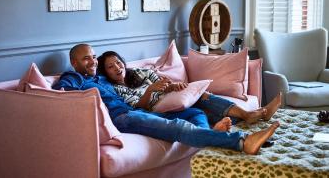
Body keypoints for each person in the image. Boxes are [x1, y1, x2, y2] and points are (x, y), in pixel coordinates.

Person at [53, 43, 280, 155]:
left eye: (93, 57)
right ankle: (242, 141)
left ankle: (232, 131)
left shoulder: (101, 79)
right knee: (178, 127)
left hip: (136, 114)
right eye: (86, 59)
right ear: (74, 63)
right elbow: (62, 94)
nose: (92, 61)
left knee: (195, 110)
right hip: (121, 119)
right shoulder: (73, 77)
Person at [97, 51, 282, 131]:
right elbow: (138, 107)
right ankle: (250, 116)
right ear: (105, 72)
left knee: (202, 95)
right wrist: (150, 91)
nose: (117, 67)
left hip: (170, 97)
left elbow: (163, 83)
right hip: (156, 109)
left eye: (118, 63)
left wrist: (173, 86)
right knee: (200, 105)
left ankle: (249, 115)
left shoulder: (139, 72)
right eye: (110, 67)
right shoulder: (115, 89)